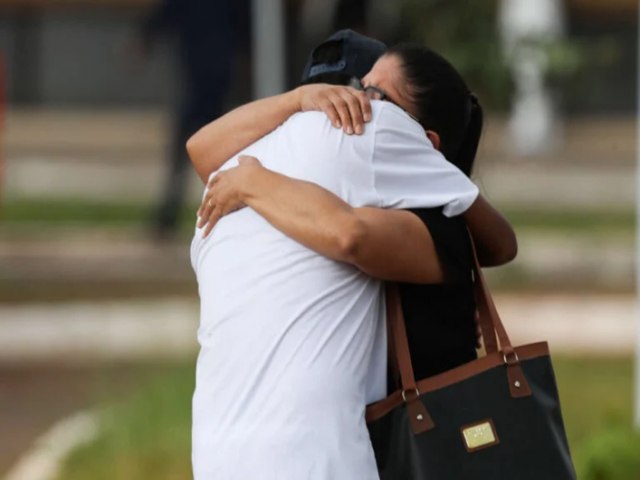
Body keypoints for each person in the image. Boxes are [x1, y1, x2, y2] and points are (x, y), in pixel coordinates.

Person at [188, 34, 515, 479]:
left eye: (373, 96)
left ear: (424, 142)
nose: (351, 102)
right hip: (321, 456)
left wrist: (255, 183)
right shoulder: (343, 144)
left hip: (219, 452)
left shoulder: (359, 137)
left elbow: (350, 234)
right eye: (356, 89)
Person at [135, 0, 249, 237]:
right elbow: (162, 17)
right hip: (200, 84)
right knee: (189, 156)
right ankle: (170, 216)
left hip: (215, 86)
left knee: (216, 158)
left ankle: (213, 214)